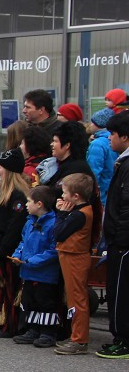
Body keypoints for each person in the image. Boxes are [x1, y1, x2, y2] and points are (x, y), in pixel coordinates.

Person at [0, 148, 30, 338]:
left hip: (8, 247)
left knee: (9, 286)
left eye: (1, 166)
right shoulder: (2, 189)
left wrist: (5, 248)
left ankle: (10, 323)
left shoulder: (18, 194)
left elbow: (15, 224)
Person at [9, 185, 60, 348]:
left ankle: (48, 332)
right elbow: (23, 241)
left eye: (29, 201)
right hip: (28, 271)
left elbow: (54, 250)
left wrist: (33, 261)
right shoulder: (29, 222)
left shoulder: (52, 224)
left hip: (44, 273)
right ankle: (32, 329)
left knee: (45, 302)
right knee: (29, 300)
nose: (26, 204)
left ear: (39, 204)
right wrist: (18, 254)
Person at [54, 173, 98, 355]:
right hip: (71, 256)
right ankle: (75, 336)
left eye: (65, 192)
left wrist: (62, 214)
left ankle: (79, 340)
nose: (62, 196)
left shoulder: (78, 215)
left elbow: (58, 233)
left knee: (77, 299)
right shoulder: (80, 211)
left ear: (76, 196)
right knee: (73, 297)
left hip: (75, 257)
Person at [97, 111, 129, 358]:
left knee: (120, 291)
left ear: (125, 137)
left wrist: (119, 239)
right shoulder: (123, 162)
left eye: (112, 135)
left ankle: (122, 339)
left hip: (122, 242)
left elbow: (126, 206)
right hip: (118, 239)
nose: (108, 140)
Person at [86, 109, 116, 206]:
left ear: (98, 125)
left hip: (102, 194)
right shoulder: (116, 140)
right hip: (114, 191)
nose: (90, 124)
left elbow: (93, 171)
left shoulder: (97, 144)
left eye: (93, 122)